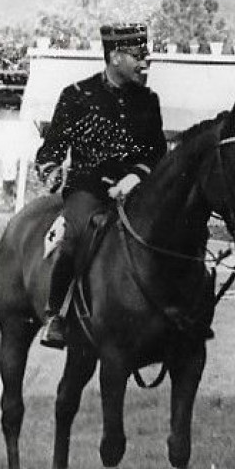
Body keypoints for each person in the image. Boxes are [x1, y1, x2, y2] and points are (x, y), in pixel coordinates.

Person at [33, 22, 167, 348]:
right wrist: (51, 172)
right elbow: (49, 152)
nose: (144, 62)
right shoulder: (76, 96)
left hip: (137, 194)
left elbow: (156, 151)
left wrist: (133, 178)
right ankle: (56, 315)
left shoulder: (148, 101)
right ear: (115, 56)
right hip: (87, 192)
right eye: (138, 56)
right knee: (75, 234)